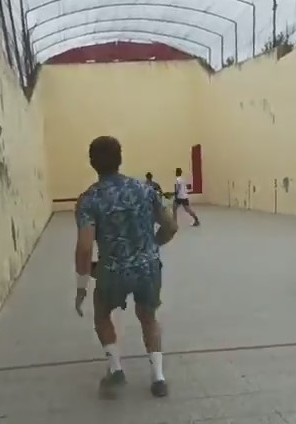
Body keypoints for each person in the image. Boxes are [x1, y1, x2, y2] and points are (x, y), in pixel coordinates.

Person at [74, 136, 178, 398]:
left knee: (102, 314)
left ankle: (116, 369)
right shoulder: (145, 190)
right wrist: (151, 246)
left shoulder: (89, 199)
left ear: (92, 162)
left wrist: (81, 286)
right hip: (147, 268)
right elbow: (171, 226)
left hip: (112, 271)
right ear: (120, 159)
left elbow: (85, 247)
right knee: (148, 317)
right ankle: (158, 377)